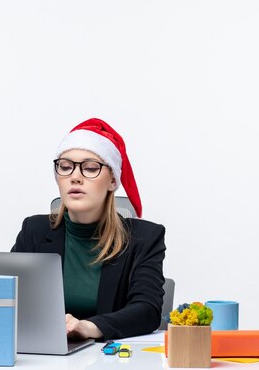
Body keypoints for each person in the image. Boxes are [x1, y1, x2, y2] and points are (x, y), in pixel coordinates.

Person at [11, 118, 166, 341]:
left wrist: (89, 327)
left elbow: (147, 310)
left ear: (113, 180)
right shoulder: (33, 230)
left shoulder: (144, 238)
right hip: (46, 357)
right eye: (65, 167)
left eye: (90, 168)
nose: (75, 177)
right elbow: (8, 300)